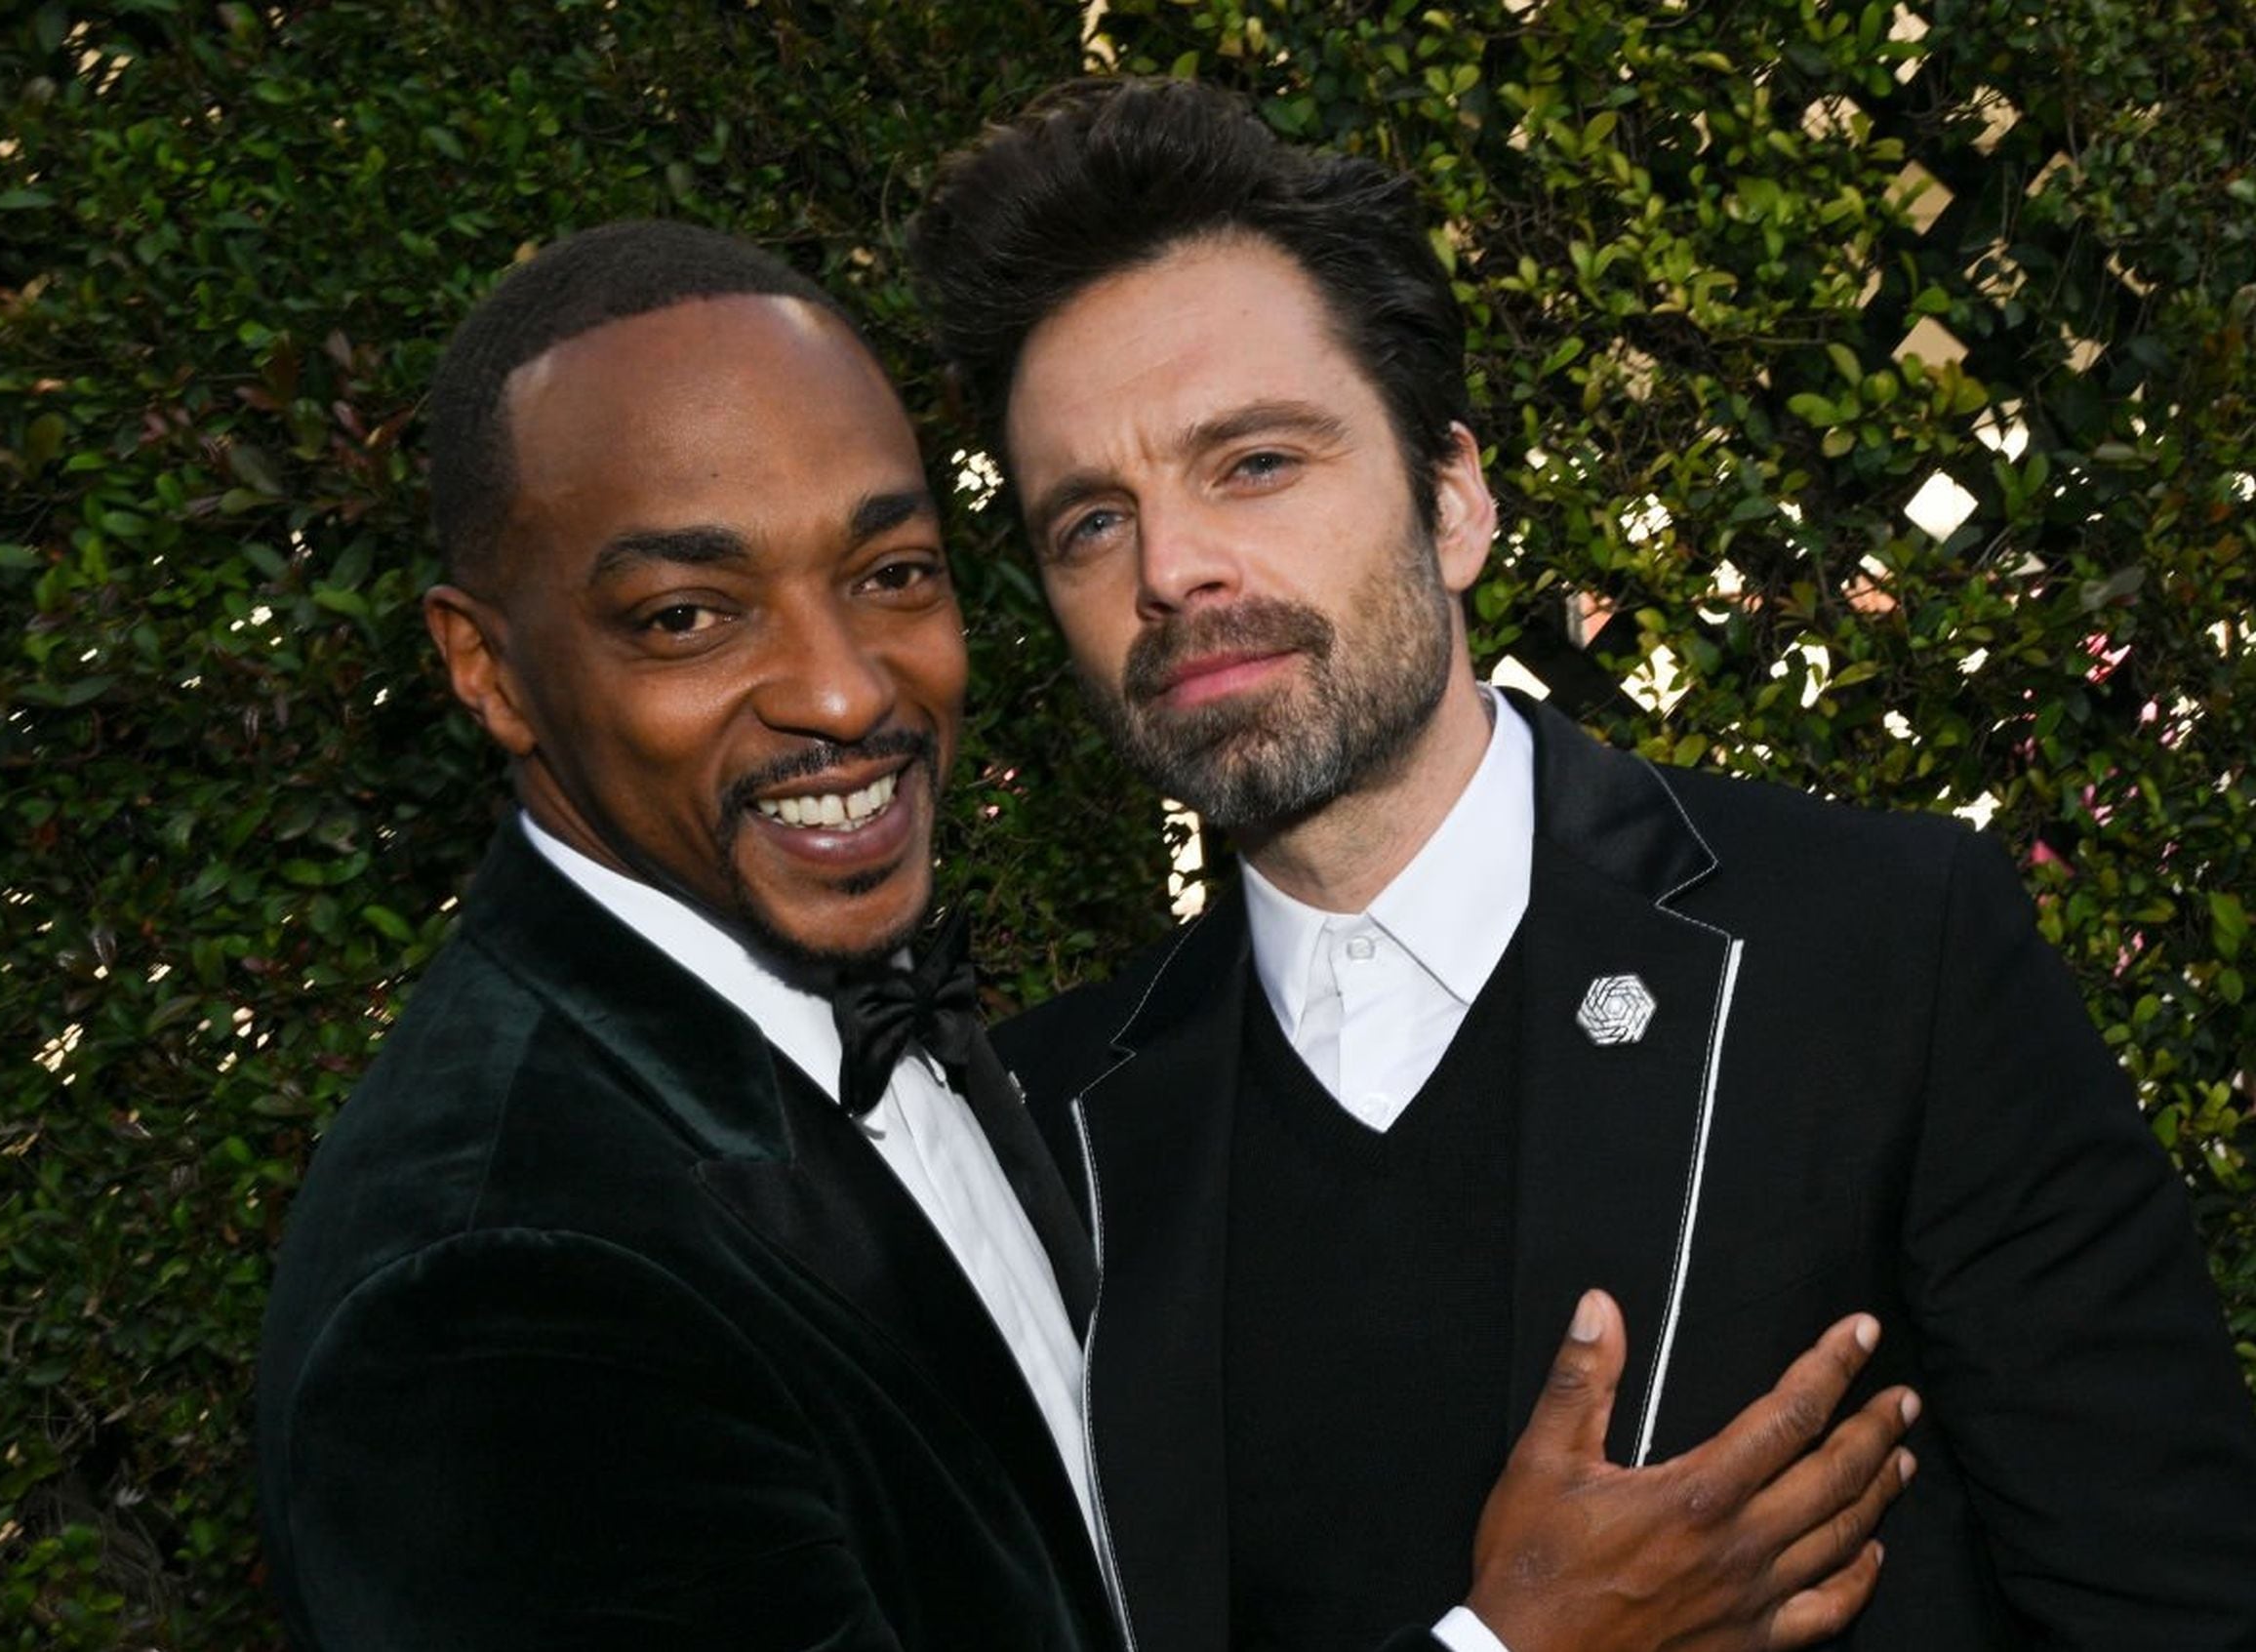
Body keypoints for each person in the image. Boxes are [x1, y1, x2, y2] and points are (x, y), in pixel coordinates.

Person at [908, 76, 2256, 1652]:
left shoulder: (1883, 956)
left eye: (1256, 462)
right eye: (1087, 522)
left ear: (1456, 497)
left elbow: (2176, 1607)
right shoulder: (1033, 1139)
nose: (1171, 567)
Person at [254, 221, 1115, 1650]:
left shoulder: (870, 1012)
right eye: (688, 616)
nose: (844, 692)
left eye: (891, 572)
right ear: (491, 670)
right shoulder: (496, 1291)